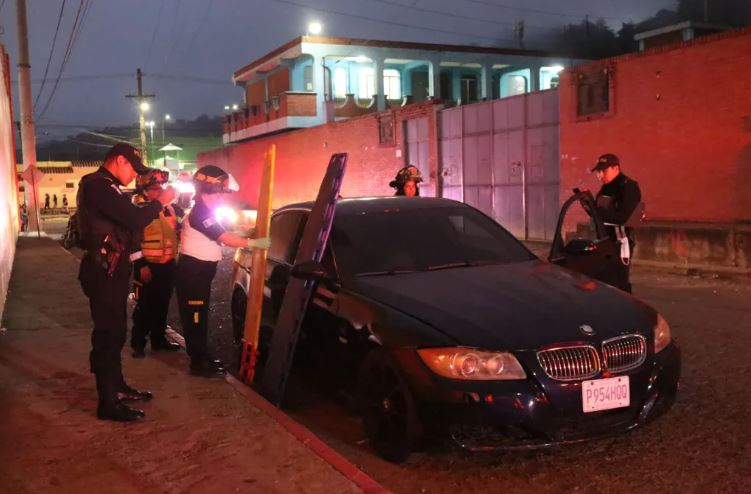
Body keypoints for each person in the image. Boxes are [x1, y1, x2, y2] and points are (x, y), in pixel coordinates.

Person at [77, 143, 177, 422]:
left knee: (117, 331)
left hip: (112, 269)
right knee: (108, 335)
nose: (135, 175)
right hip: (103, 271)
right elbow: (134, 219)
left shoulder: (107, 187)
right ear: (120, 160)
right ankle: (107, 403)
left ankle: (116, 387)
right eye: (133, 168)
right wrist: (161, 201)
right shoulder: (98, 186)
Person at [175, 165, 270, 378]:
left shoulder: (205, 210)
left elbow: (225, 232)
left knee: (200, 317)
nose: (221, 197)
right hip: (193, 273)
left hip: (200, 273)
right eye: (219, 192)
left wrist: (249, 235)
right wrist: (255, 242)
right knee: (195, 318)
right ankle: (198, 363)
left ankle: (202, 356)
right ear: (208, 188)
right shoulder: (200, 213)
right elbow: (225, 238)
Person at [130, 169, 184, 358]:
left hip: (167, 264)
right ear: (143, 190)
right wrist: (141, 265)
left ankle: (159, 340)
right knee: (144, 306)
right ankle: (138, 343)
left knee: (162, 304)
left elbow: (177, 229)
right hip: (148, 265)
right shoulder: (138, 211)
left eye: (160, 186)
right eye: (154, 188)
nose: (159, 191)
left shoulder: (168, 208)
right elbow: (132, 240)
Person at [591, 153, 642, 293]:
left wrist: (598, 211)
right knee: (605, 279)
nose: (600, 175)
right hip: (604, 241)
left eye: (604, 171)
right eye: (598, 172)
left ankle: (627, 309)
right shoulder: (605, 187)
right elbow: (599, 214)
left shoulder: (628, 186)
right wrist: (589, 206)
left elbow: (623, 217)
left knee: (620, 281)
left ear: (616, 168)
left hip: (621, 242)